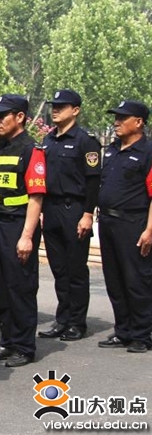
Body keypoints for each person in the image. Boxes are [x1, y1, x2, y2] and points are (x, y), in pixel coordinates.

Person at [0, 94, 46, 368]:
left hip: (18, 225)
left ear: (20, 117)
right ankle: (7, 342)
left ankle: (24, 346)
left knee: (21, 288)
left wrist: (27, 236)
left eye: (1, 115)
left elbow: (36, 196)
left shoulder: (31, 150)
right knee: (2, 287)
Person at [38, 89, 101, 342]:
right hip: (51, 209)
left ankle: (76, 322)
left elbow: (93, 182)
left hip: (74, 209)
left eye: (61, 106)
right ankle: (62, 319)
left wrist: (87, 214)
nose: (55, 110)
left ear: (75, 110)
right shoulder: (48, 140)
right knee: (59, 269)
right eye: (54, 106)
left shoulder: (86, 141)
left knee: (75, 270)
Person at [96, 100, 152, 353]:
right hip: (108, 222)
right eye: (116, 117)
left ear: (138, 122)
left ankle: (142, 334)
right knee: (114, 279)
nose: (116, 123)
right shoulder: (112, 149)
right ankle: (123, 330)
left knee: (136, 280)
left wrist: (149, 229)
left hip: (133, 223)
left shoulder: (147, 152)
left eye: (122, 118)